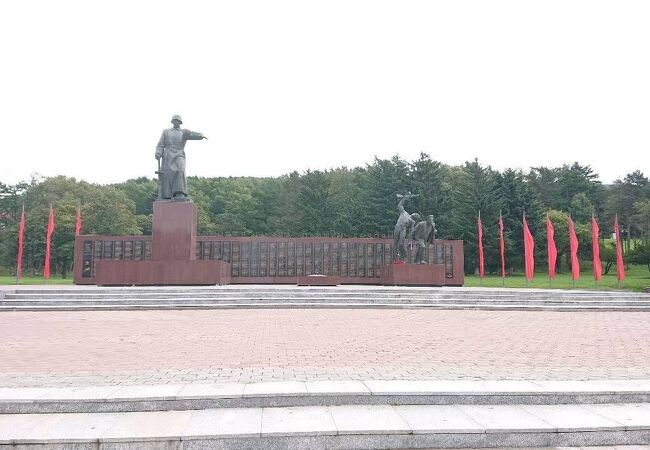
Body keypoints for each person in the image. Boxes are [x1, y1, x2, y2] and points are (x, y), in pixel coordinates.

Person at [155, 115, 207, 199]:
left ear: (180, 122)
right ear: (172, 121)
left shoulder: (184, 132)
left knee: (180, 170)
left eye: (178, 121)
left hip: (179, 154)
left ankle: (180, 192)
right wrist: (158, 152)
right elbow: (160, 144)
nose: (176, 122)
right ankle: (167, 195)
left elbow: (192, 134)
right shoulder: (166, 131)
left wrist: (200, 135)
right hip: (168, 155)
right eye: (175, 120)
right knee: (167, 174)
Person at [393, 194, 420, 262]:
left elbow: (411, 232)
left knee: (401, 243)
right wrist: (404, 198)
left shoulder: (412, 222)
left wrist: (410, 242)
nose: (416, 214)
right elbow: (399, 205)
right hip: (398, 227)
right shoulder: (404, 212)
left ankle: (403, 254)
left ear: (416, 218)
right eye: (416, 213)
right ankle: (396, 258)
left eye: (417, 215)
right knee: (395, 243)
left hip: (403, 229)